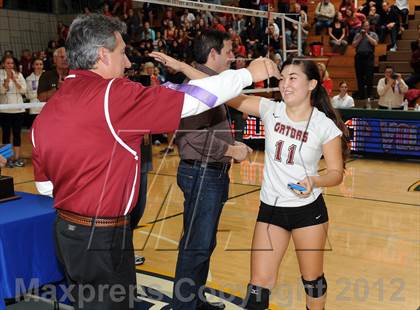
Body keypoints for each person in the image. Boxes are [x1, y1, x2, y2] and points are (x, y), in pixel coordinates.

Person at [31, 14, 279, 310]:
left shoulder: (49, 108)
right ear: (101, 55)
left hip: (67, 233)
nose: (126, 63)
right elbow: (192, 99)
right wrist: (248, 74)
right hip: (102, 236)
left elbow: (45, 187)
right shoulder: (113, 94)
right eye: (122, 53)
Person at [227, 57, 349, 310]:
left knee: (312, 280)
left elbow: (336, 173)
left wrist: (315, 180)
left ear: (312, 84)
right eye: (283, 78)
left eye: (293, 77)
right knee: (258, 285)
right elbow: (224, 93)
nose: (286, 84)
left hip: (307, 211)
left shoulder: (324, 126)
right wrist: (186, 69)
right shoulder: (271, 109)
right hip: (271, 209)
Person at [172, 29, 254, 310]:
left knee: (203, 244)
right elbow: (193, 137)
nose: (233, 56)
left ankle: (195, 299)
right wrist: (232, 150)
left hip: (209, 172)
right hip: (201, 172)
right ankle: (184, 306)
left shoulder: (210, 82)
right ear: (213, 53)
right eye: (229, 51)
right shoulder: (198, 86)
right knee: (196, 245)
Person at [0, 55, 27, 168]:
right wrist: (6, 81)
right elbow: (1, 92)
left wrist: (15, 80)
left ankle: (16, 158)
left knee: (17, 135)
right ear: (3, 64)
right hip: (5, 110)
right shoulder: (0, 75)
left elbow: (24, 91)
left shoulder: (19, 74)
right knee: (6, 135)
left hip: (18, 109)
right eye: (8, 63)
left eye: (12, 63)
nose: (10, 65)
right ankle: (7, 159)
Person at [352, 21, 378, 99]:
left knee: (369, 76)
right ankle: (361, 94)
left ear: (369, 26)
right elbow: (353, 45)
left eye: (367, 25)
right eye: (364, 26)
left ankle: (370, 94)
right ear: (362, 27)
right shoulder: (357, 35)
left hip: (369, 57)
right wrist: (361, 36)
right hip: (359, 57)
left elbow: (375, 43)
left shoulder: (373, 34)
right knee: (359, 77)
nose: (366, 27)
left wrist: (366, 35)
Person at [25, 58, 44, 125]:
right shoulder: (29, 79)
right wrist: (39, 95)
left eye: (41, 64)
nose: (39, 66)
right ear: (33, 66)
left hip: (46, 107)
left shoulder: (48, 76)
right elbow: (27, 95)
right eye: (37, 64)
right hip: (34, 108)